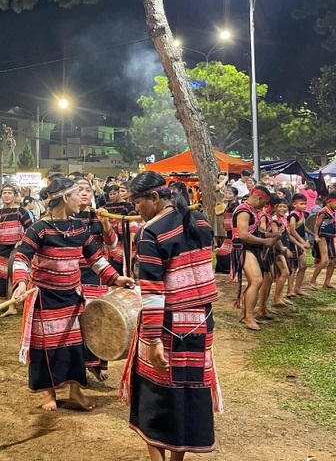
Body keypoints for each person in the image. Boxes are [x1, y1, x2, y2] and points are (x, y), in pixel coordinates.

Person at [117, 171, 221, 461]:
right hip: (201, 322)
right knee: (189, 391)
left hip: (167, 326)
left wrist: (152, 339)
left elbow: (152, 292)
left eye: (136, 202)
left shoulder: (149, 233)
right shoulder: (199, 220)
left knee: (155, 396)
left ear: (153, 197)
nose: (134, 209)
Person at [10, 177, 135, 411]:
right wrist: (19, 282)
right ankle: (49, 393)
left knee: (74, 347)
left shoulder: (79, 226)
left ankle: (75, 391)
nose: (82, 198)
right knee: (46, 348)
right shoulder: (39, 228)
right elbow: (21, 257)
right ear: (65, 198)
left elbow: (95, 259)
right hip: (45, 297)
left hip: (72, 296)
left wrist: (116, 278)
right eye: (78, 193)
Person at [75, 176, 118, 381]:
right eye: (80, 189)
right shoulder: (67, 218)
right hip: (73, 275)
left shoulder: (99, 216)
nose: (84, 193)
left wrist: (106, 224)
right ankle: (78, 366)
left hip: (97, 274)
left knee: (97, 320)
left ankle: (97, 363)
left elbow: (112, 245)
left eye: (88, 190)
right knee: (77, 322)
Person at [232, 186, 276, 330]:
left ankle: (248, 315)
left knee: (256, 280)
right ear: (259, 198)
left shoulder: (252, 211)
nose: (265, 206)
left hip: (250, 248)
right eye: (264, 202)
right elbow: (243, 235)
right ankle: (248, 317)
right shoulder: (244, 211)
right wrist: (264, 241)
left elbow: (255, 233)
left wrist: (271, 236)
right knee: (257, 280)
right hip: (243, 248)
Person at [0, 184, 32, 314]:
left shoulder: (21, 211)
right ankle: (10, 306)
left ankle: (22, 303)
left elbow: (31, 228)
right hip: (2, 248)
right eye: (4, 193)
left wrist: (22, 240)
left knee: (17, 276)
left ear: (15, 195)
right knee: (4, 276)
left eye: (9, 193)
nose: (6, 195)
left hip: (17, 249)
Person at [309, 193, 336, 289]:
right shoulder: (324, 212)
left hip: (330, 236)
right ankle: (312, 280)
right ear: (329, 202)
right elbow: (316, 225)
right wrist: (316, 236)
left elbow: (334, 223)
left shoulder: (333, 212)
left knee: (333, 260)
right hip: (322, 236)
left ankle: (327, 282)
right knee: (324, 260)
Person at [287, 194, 311, 297]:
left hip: (300, 242)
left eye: (305, 204)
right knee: (293, 267)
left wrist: (312, 234)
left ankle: (297, 288)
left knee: (303, 265)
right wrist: (301, 241)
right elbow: (292, 230)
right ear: (294, 204)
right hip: (293, 242)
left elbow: (303, 227)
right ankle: (290, 290)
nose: (304, 206)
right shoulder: (293, 215)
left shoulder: (302, 214)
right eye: (301, 204)